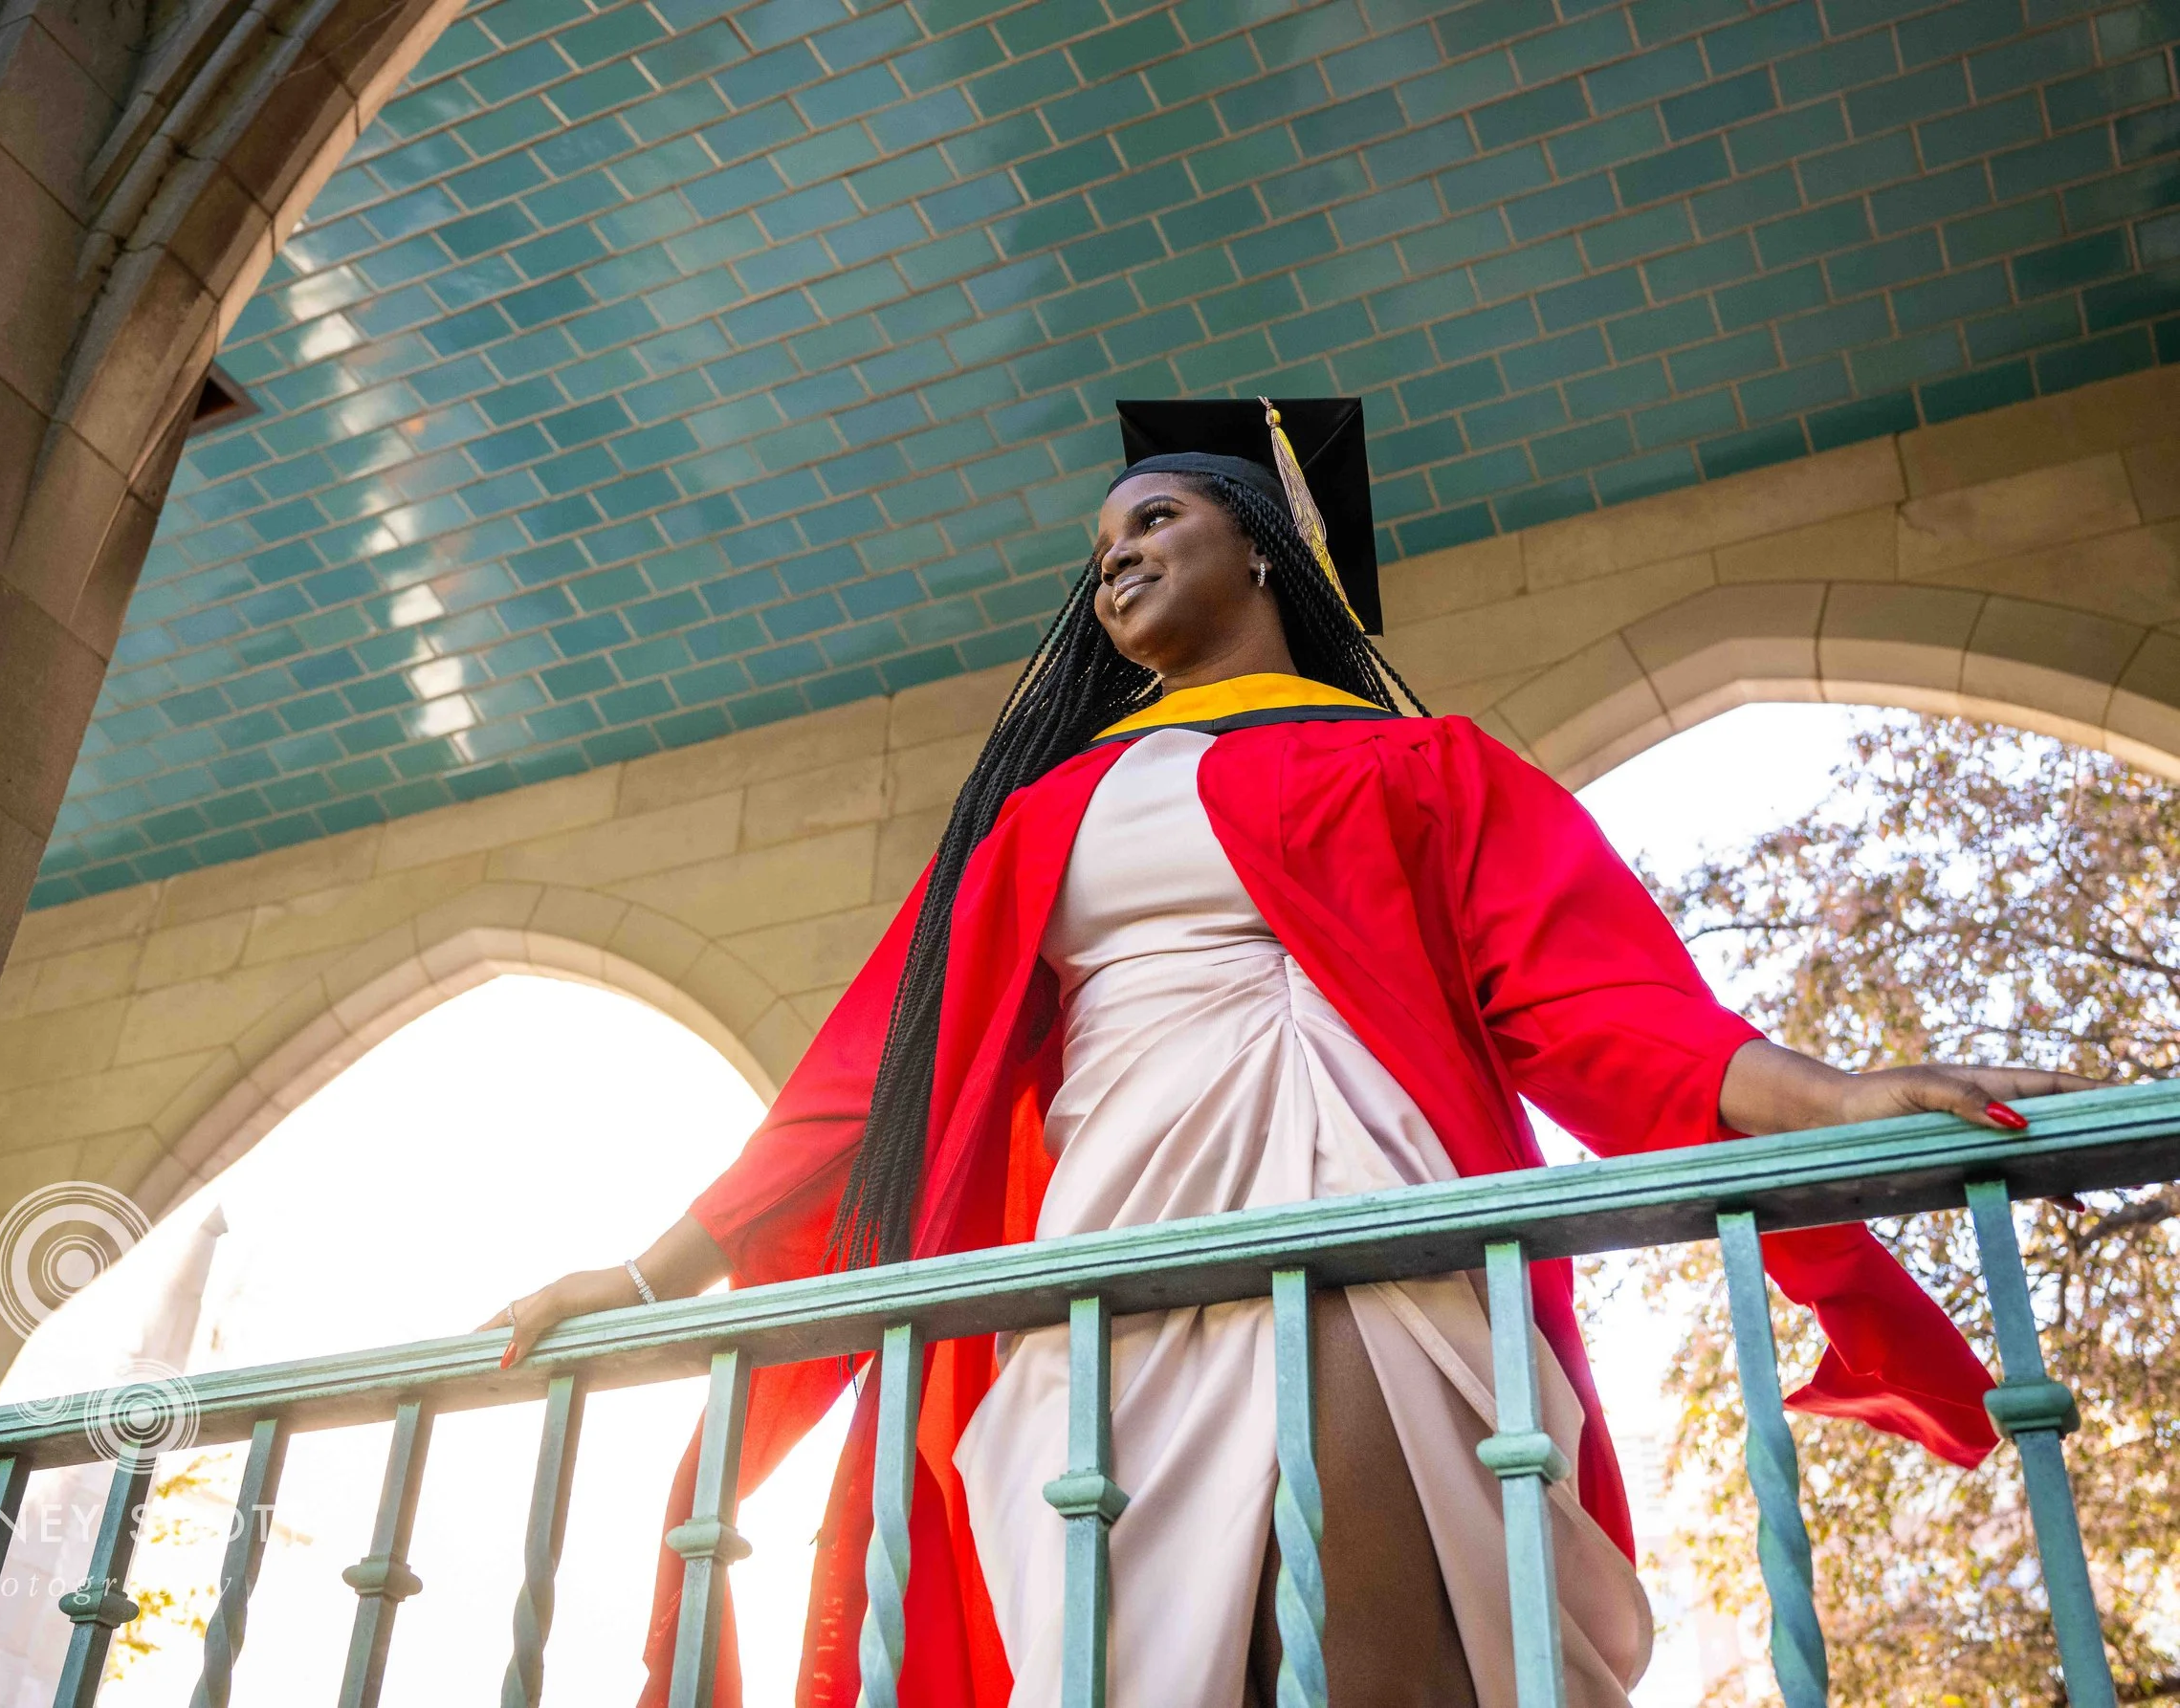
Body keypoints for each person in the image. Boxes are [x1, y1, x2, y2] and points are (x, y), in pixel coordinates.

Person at [485, 398, 2089, 1708]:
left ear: (1261, 537)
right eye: (1101, 550)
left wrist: (1831, 1094)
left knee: (1384, 1649)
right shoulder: (1040, 817)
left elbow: (1597, 1007)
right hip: (1107, 1265)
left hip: (1370, 1216)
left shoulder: (1423, 766)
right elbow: (855, 1099)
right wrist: (649, 1276)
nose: (1115, 562)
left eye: (1154, 522)